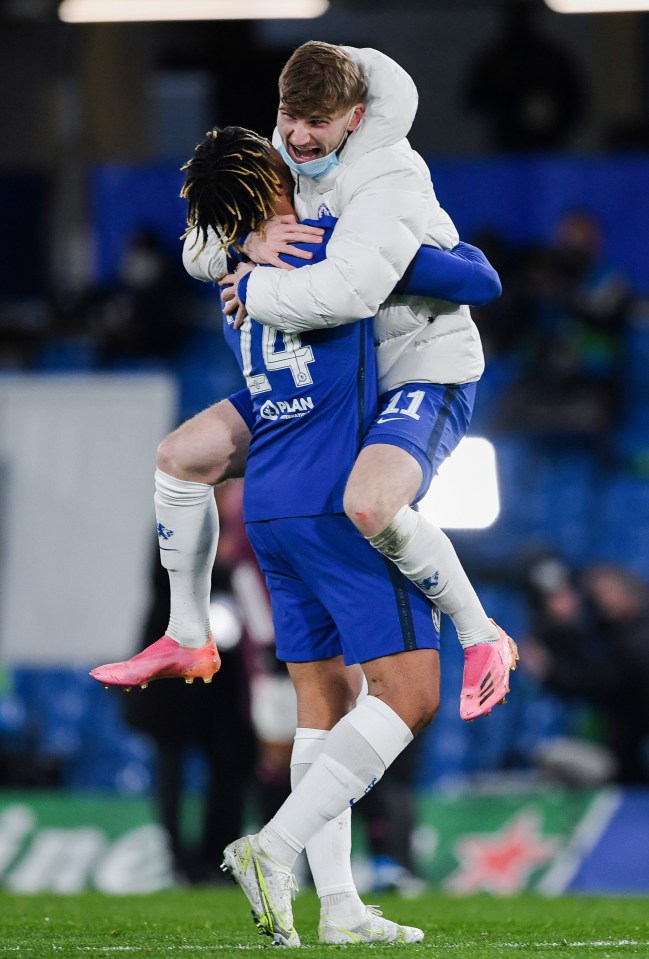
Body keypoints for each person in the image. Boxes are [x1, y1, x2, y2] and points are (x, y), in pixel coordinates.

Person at [91, 42, 517, 723]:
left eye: (312, 124)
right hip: (321, 377)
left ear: (352, 117)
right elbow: (200, 240)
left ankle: (478, 632)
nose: (294, 137)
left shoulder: (384, 176)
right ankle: (188, 635)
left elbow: (474, 279)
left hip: (400, 368)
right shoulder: (281, 156)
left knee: (371, 505)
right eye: (287, 118)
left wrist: (269, 280)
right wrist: (245, 243)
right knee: (179, 456)